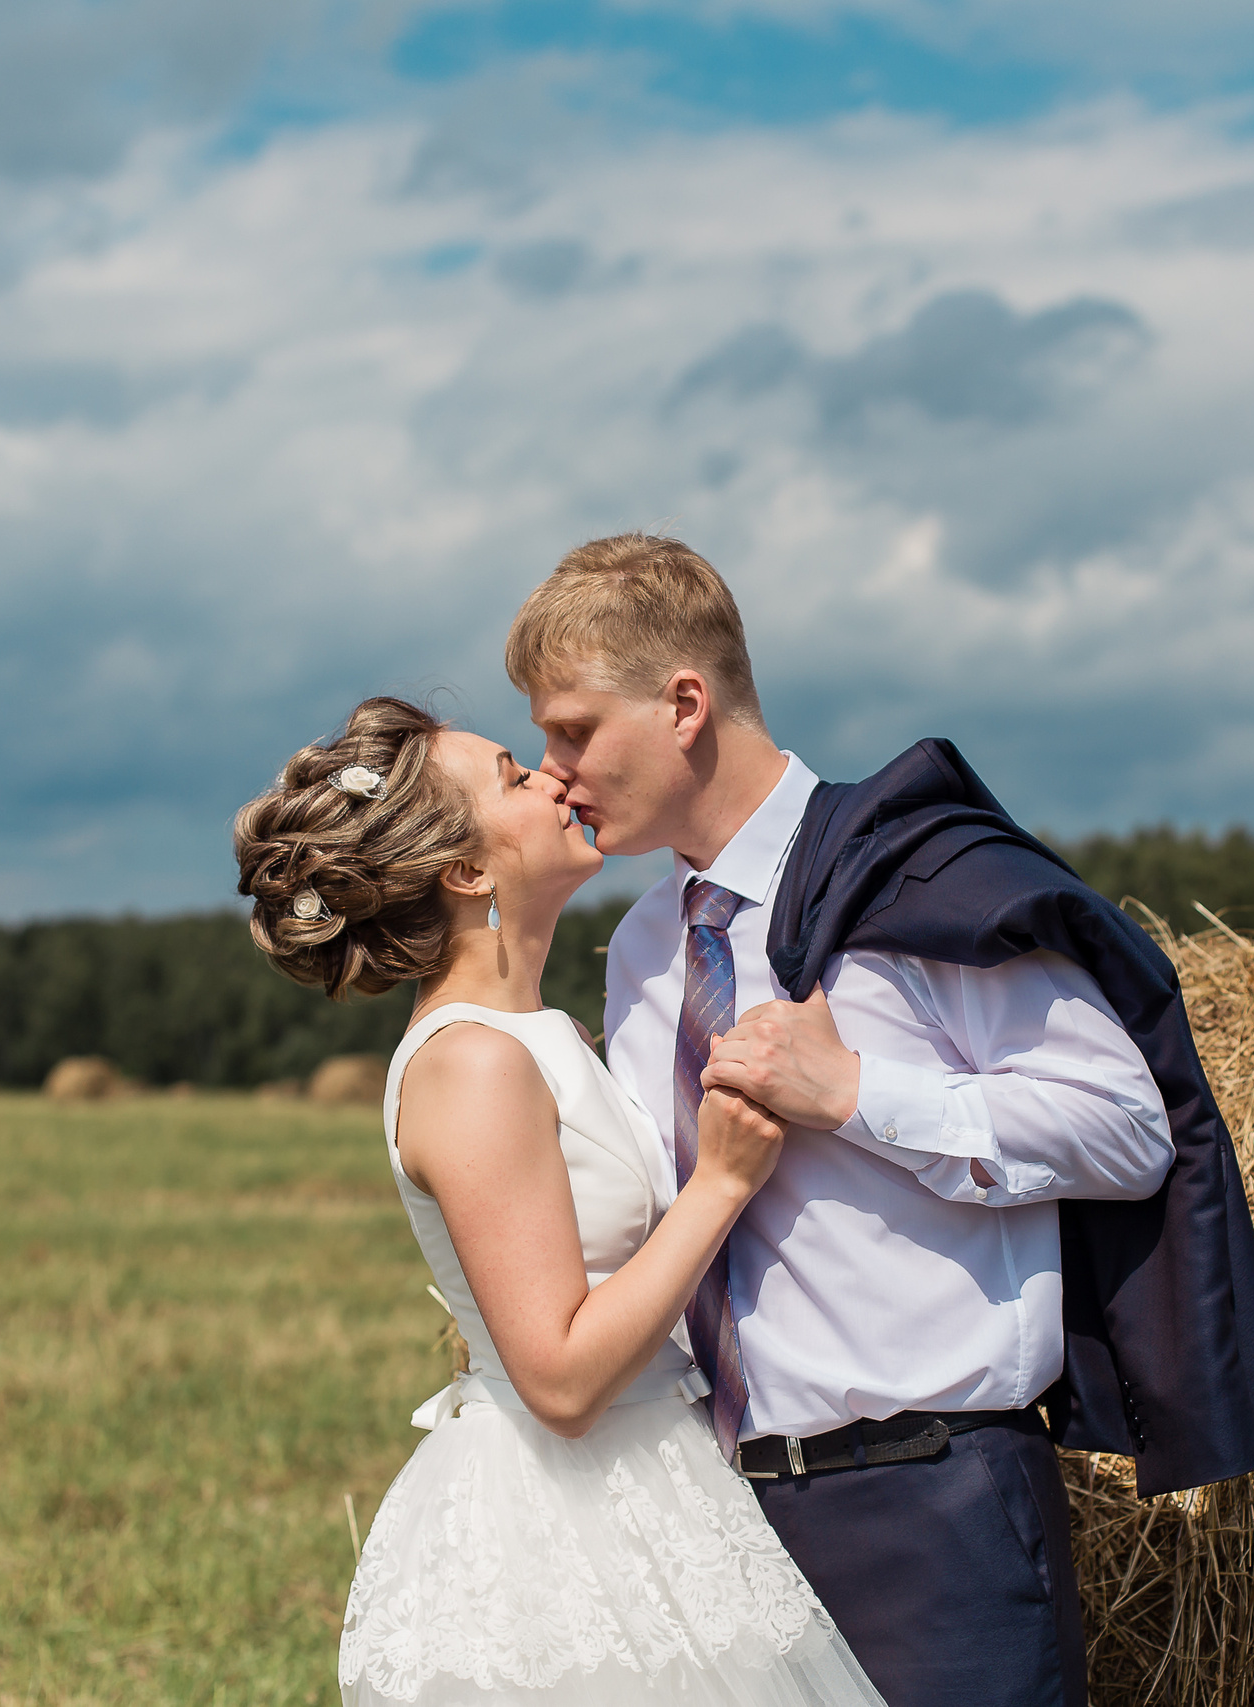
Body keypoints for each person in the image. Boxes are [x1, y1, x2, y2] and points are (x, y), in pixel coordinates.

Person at [505, 535, 1254, 1707]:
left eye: (572, 728)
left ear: (684, 704)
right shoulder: (640, 949)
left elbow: (1129, 1129)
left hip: (935, 1511)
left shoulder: (914, 881)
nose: (554, 769)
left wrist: (856, 1096)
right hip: (712, 1526)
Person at [232, 696, 888, 1707]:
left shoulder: (539, 1033)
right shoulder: (473, 1066)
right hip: (564, 1523)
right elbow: (563, 1383)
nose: (552, 778)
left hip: (656, 1479)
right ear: (466, 873)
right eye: (511, 775)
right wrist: (717, 1184)